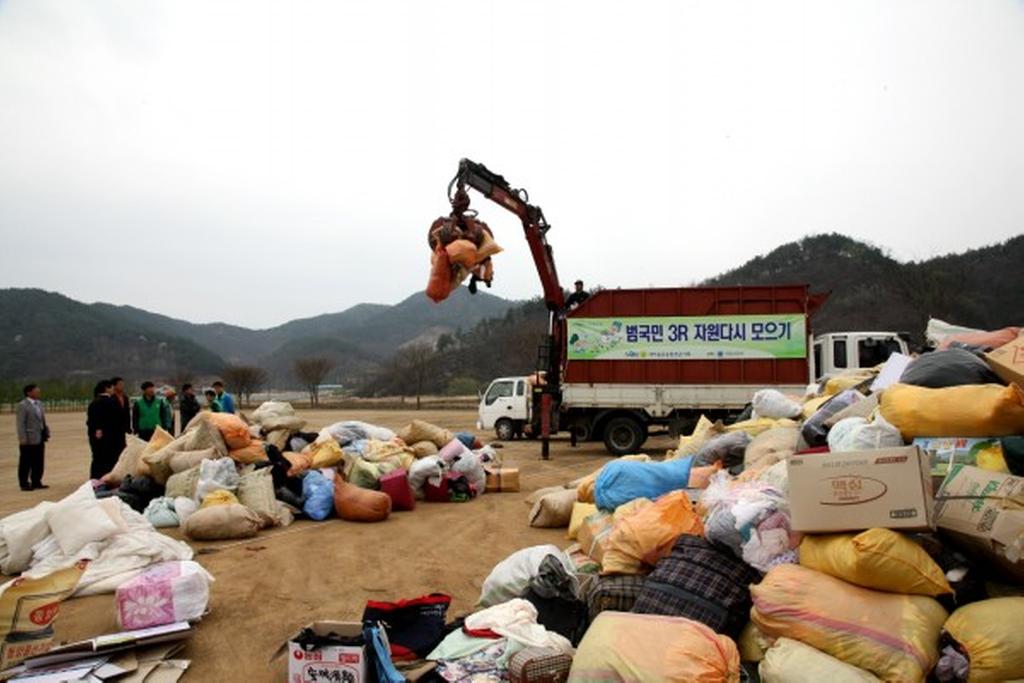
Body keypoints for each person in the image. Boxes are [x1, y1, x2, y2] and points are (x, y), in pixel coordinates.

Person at [15, 384, 49, 491]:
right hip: (28, 438)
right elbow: (20, 424)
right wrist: (22, 438)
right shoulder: (23, 405)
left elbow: (42, 420)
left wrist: (45, 430)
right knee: (26, 462)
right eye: (36, 391)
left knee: (38, 461)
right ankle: (24, 483)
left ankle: (36, 481)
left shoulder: (39, 404)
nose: (38, 393)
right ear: (29, 392)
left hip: (39, 437)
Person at [86, 379, 120, 480]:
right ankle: (107, 479)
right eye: (111, 387)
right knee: (110, 459)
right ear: (106, 389)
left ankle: (95, 480)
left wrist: (97, 430)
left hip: (95, 436)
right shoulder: (111, 402)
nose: (113, 389)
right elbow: (116, 421)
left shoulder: (93, 402)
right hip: (111, 436)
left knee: (97, 459)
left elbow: (90, 421)